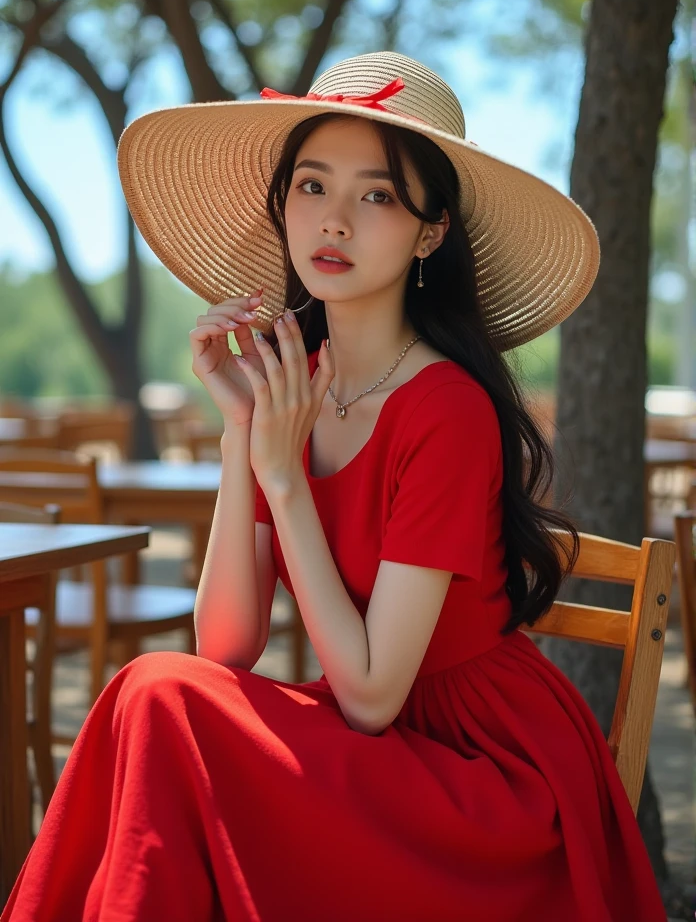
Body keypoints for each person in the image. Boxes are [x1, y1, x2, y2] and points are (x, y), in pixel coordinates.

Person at [1, 51, 666, 922]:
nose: (337, 221)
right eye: (312, 187)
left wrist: (283, 477)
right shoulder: (296, 380)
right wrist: (246, 432)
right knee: (156, 688)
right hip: (379, 748)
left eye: (378, 195)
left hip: (480, 779)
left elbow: (369, 693)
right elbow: (226, 647)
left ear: (431, 233)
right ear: (283, 209)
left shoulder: (447, 411)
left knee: (161, 699)